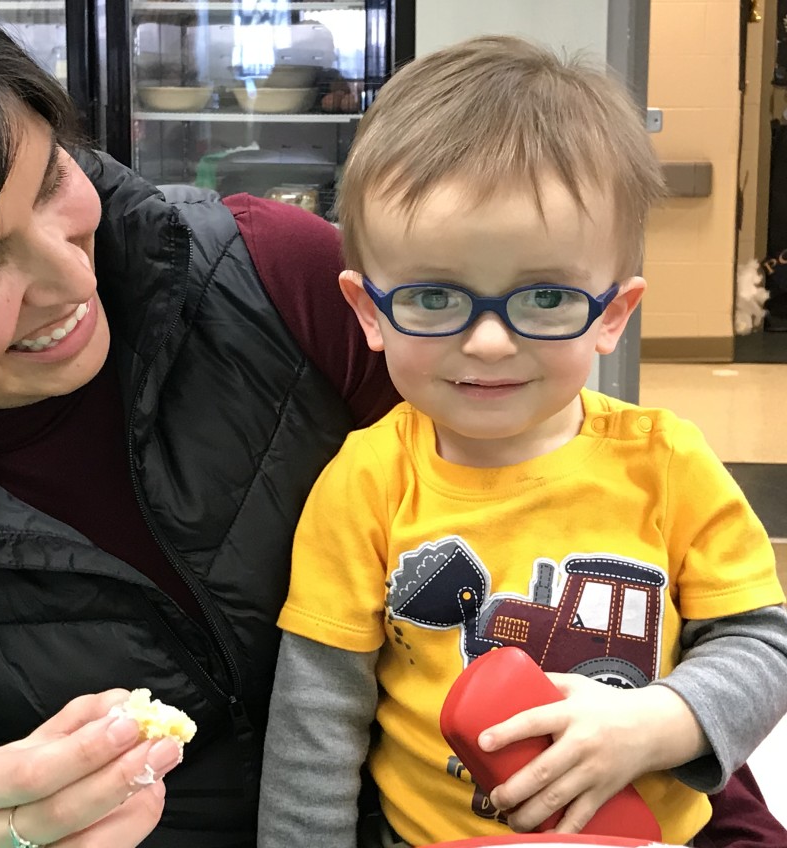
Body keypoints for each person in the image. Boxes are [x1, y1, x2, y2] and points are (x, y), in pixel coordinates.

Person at [0, 4, 780, 847]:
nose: (72, 274)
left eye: (50, 181)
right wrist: (4, 830)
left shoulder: (268, 280)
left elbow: (636, 604)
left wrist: (693, 772)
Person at [257, 36, 787, 848]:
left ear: (614, 313)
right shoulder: (367, 481)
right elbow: (316, 720)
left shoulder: (666, 463)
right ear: (368, 312)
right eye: (435, 295)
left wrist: (662, 720)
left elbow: (761, 642)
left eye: (545, 295)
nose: (492, 342)